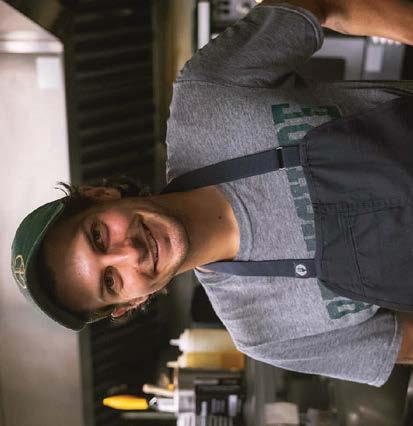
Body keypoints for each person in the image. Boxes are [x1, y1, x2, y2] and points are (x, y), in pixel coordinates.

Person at [11, 0, 413, 386]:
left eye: (99, 236)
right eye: (112, 281)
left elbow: (320, 3)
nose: (129, 253)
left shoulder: (205, 97)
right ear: (129, 303)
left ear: (100, 196)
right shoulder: (263, 334)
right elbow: (405, 343)